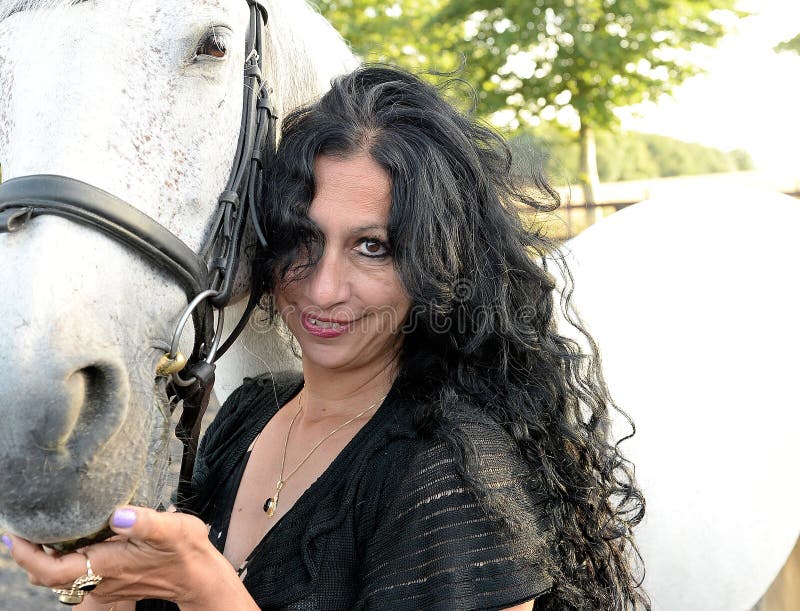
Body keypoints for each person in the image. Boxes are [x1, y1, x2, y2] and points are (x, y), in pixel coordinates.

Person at [3, 65, 649, 610]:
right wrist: (101, 589)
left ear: (435, 263)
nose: (323, 287)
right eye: (303, 240)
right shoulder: (249, 415)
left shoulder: (453, 474)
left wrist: (213, 593)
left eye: (371, 246)